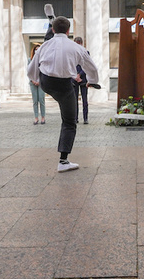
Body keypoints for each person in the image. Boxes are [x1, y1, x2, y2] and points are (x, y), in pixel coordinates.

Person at [27, 16, 100, 172]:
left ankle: (51, 19)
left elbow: (32, 67)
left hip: (46, 82)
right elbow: (92, 67)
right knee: (69, 122)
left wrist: (35, 79)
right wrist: (92, 81)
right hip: (64, 85)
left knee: (66, 113)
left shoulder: (44, 46)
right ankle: (63, 161)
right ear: (69, 31)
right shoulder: (77, 47)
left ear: (53, 30)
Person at [73, 36, 90, 124]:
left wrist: (79, 74)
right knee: (74, 100)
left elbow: (86, 66)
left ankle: (85, 118)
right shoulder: (71, 53)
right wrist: (75, 75)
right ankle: (75, 118)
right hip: (74, 79)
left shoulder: (86, 53)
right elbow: (71, 65)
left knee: (84, 100)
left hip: (83, 79)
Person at [29, 44, 46, 125]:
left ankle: (43, 117)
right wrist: (33, 80)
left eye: (38, 49)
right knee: (35, 101)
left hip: (41, 83)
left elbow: (45, 71)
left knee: (41, 100)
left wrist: (40, 81)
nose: (37, 51)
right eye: (36, 49)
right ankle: (36, 117)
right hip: (33, 83)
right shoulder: (30, 60)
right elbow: (29, 71)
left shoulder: (43, 60)